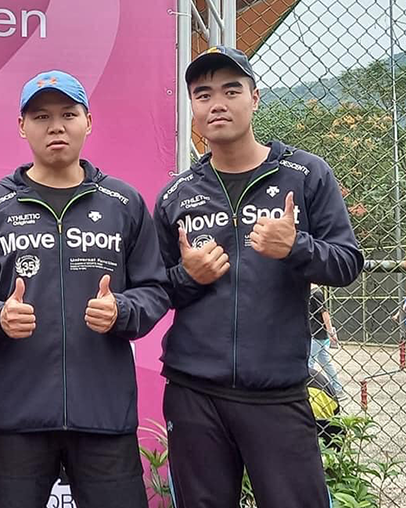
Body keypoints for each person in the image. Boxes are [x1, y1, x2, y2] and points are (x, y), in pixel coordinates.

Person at [153, 46, 364, 508]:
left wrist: (296, 247)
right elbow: (152, 291)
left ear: (255, 98)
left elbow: (348, 262)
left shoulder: (306, 174)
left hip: (277, 391)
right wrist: (188, 276)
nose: (217, 104)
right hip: (194, 392)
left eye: (231, 91)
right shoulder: (176, 194)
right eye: (203, 94)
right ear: (192, 107)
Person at [0, 70, 170, 508]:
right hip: (19, 416)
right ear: (22, 126)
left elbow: (154, 288)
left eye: (68, 114)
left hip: (105, 414)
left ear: (88, 121)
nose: (56, 126)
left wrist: (123, 310)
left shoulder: (123, 202)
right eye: (41, 116)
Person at [308, 284, 344, 397]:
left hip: (317, 333)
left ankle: (307, 388)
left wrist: (330, 331)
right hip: (314, 332)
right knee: (325, 362)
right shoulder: (309, 293)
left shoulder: (316, 293)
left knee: (309, 361)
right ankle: (337, 388)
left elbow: (325, 312)